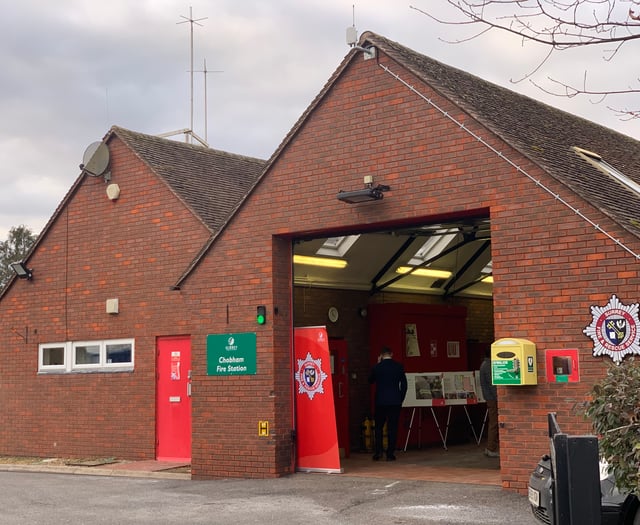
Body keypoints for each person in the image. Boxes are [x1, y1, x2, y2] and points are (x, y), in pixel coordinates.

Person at [368, 347, 408, 461]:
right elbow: (404, 385)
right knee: (393, 427)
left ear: (381, 355)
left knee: (379, 427)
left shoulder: (377, 367)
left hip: (380, 401)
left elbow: (370, 380)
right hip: (395, 401)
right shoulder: (398, 367)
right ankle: (390, 453)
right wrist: (400, 398)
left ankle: (378, 452)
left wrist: (377, 364)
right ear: (392, 354)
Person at [479, 348, 499, 458]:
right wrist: (498, 398)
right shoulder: (488, 366)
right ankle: (491, 447)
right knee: (494, 423)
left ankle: (490, 447)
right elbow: (493, 384)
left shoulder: (484, 364)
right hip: (492, 398)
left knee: (493, 422)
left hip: (489, 397)